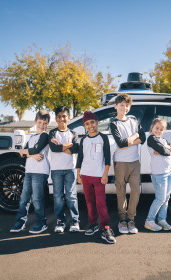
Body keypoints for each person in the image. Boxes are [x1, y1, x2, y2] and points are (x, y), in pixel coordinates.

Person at [76, 110, 116, 244]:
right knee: (89, 202)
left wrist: (105, 175)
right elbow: (80, 158)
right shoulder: (84, 140)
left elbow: (107, 158)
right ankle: (93, 224)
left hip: (99, 176)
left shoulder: (103, 138)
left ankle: (105, 227)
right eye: (87, 124)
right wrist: (79, 174)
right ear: (84, 126)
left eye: (92, 122)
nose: (90, 125)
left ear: (97, 122)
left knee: (101, 202)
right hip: (85, 175)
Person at [110, 93, 146, 234]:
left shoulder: (134, 120)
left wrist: (132, 140)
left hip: (134, 162)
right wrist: (134, 136)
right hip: (120, 162)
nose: (123, 108)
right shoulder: (114, 124)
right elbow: (121, 144)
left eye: (126, 105)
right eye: (121, 105)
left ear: (129, 107)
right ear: (116, 106)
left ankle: (131, 218)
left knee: (136, 190)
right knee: (121, 192)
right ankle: (122, 220)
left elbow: (143, 137)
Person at [10, 110, 51, 234]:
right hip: (29, 171)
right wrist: (31, 155)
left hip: (40, 171)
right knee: (24, 198)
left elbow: (36, 149)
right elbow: (22, 153)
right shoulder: (32, 137)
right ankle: (20, 222)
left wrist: (26, 152)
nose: (42, 125)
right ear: (35, 122)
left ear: (48, 124)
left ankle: (41, 223)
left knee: (37, 199)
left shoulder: (45, 136)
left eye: (45, 123)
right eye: (39, 122)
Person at [48, 106, 80, 233]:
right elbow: (53, 148)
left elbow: (76, 149)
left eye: (64, 116)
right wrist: (67, 147)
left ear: (69, 118)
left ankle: (74, 221)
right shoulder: (52, 133)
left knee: (71, 196)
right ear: (56, 118)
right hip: (56, 170)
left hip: (70, 169)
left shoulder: (73, 133)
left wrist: (60, 146)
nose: (62, 119)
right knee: (58, 197)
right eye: (59, 116)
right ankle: (60, 221)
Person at [144, 118, 171, 231]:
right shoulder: (151, 139)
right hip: (159, 173)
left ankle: (162, 220)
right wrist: (168, 151)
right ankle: (149, 221)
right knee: (160, 198)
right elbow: (163, 151)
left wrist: (168, 148)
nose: (158, 130)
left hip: (170, 171)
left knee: (166, 198)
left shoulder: (162, 139)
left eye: (161, 129)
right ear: (152, 127)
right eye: (157, 128)